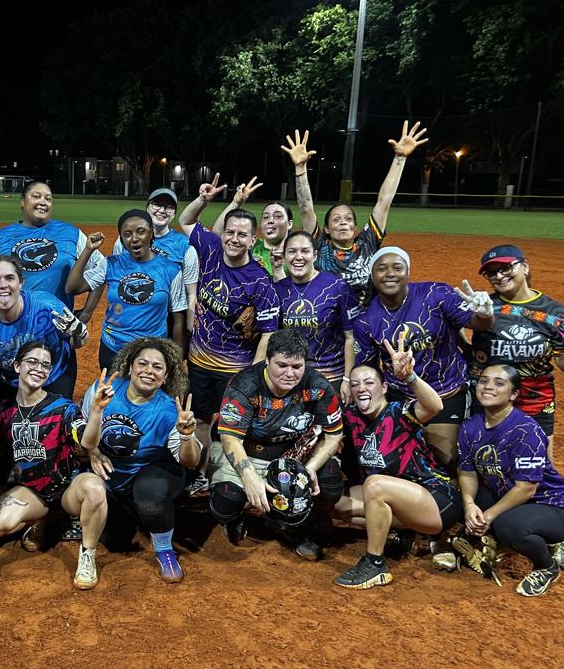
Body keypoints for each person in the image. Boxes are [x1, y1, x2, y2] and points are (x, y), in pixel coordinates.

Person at [332, 336, 461, 589]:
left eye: (369, 382)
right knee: (331, 500)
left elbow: (434, 406)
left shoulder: (399, 413)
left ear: (383, 389)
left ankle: (375, 564)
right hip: (401, 501)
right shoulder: (353, 418)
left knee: (374, 485)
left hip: (437, 499)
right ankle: (402, 533)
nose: (362, 388)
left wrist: (410, 377)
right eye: (356, 384)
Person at [353, 246, 494, 471]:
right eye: (381, 269)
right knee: (397, 456)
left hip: (446, 391)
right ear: (372, 276)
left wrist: (485, 314)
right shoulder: (366, 320)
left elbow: (477, 323)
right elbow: (369, 368)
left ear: (408, 272)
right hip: (403, 396)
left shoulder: (435, 294)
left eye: (397, 267)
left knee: (444, 457)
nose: (389, 273)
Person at [208, 329, 344, 560]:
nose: (290, 373)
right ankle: (235, 518)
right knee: (226, 501)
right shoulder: (244, 384)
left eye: (297, 366)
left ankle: (295, 523)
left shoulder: (318, 386)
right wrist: (249, 477)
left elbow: (333, 436)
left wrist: (309, 469)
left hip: (293, 454)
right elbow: (230, 439)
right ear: (267, 361)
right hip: (247, 450)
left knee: (330, 481)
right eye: (282, 365)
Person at [175, 187, 281, 475]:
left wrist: (255, 373)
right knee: (201, 420)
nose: (234, 239)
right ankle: (200, 472)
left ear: (252, 240)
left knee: (232, 424)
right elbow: (185, 221)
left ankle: (229, 478)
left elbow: (269, 331)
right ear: (222, 233)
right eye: (230, 232)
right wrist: (204, 199)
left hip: (234, 369)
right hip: (199, 361)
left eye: (242, 234)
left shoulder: (260, 280)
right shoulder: (209, 249)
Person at [0, 342, 108, 590]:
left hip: (68, 487)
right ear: (17, 366)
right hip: (33, 491)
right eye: (32, 362)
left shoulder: (63, 408)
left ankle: (87, 554)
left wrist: (96, 412)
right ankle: (40, 518)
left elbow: (86, 440)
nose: (39, 368)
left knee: (95, 489)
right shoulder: (5, 412)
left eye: (45, 365)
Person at [80, 338, 200, 583]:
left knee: (149, 494)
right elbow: (82, 427)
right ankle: (133, 514)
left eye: (157, 367)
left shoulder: (169, 411)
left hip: (154, 473)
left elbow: (190, 461)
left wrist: (187, 436)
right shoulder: (105, 390)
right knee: (115, 539)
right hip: (113, 474)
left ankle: (164, 549)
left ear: (166, 376)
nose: (148, 371)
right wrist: (92, 452)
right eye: (142, 363)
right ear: (130, 367)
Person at [457, 364, 564, 597]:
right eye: (484, 381)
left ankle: (546, 566)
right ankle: (492, 533)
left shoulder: (526, 431)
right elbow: (467, 472)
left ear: (514, 394)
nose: (488, 387)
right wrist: (469, 505)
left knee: (509, 527)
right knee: (459, 499)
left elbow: (526, 489)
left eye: (499, 383)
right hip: (509, 496)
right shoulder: (469, 427)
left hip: (554, 506)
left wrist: (489, 516)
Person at [284, 124, 428, 306]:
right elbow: (305, 208)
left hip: (366, 318)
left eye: (348, 219)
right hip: (330, 320)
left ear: (354, 228)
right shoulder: (319, 245)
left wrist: (400, 158)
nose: (343, 223)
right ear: (326, 229)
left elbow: (384, 201)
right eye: (336, 220)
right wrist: (300, 169)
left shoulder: (367, 241)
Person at [469, 244, 564, 455]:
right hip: (489, 396)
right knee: (488, 462)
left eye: (506, 268)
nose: (499, 276)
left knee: (540, 467)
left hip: (535, 397)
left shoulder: (556, 312)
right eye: (491, 272)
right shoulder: (483, 305)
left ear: (525, 267)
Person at [66, 209, 188, 369]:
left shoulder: (170, 270)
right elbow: (72, 287)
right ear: (122, 240)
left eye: (141, 232)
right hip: (113, 349)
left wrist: (177, 360)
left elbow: (178, 320)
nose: (135, 239)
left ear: (151, 233)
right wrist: (88, 250)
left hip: (151, 354)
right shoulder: (110, 264)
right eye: (127, 234)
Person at [0, 255, 88, 400]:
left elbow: (76, 343)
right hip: (11, 381)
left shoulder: (47, 307)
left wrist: (80, 335)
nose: (3, 285)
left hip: (54, 374)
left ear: (20, 282)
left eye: (9, 278)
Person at [0, 180, 104, 310]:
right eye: (36, 196)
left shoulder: (71, 233)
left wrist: (88, 311)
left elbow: (102, 268)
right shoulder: (0, 237)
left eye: (48, 199)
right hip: (11, 322)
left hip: (57, 323)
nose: (43, 202)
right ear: (22, 201)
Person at [275, 231, 355, 403]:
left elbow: (350, 337)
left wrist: (347, 379)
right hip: (291, 378)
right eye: (292, 251)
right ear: (284, 256)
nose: (298, 257)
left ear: (315, 255)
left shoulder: (337, 286)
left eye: (305, 251)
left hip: (331, 376)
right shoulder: (277, 289)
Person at [106, 188, 199, 329]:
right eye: (157, 204)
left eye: (169, 207)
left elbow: (191, 293)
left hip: (167, 320)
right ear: (147, 207)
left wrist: (189, 328)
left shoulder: (184, 246)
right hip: (130, 317)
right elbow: (115, 280)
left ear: (174, 213)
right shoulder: (123, 241)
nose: (162, 210)